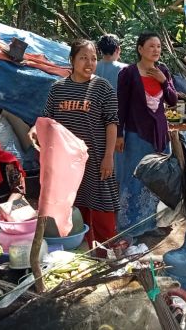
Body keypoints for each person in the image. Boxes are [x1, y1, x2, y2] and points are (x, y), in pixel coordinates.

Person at [32, 40, 119, 246]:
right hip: (66, 165)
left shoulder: (102, 87)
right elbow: (47, 121)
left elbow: (112, 123)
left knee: (102, 206)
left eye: (93, 58)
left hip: (97, 159)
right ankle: (80, 248)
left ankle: (105, 251)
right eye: (83, 58)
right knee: (73, 206)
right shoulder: (58, 89)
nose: (89, 63)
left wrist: (108, 157)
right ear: (72, 60)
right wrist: (34, 130)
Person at [116, 33, 178, 238]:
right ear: (140, 49)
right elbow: (121, 106)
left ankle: (150, 224)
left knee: (156, 180)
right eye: (151, 46)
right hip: (136, 134)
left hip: (159, 134)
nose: (156, 50)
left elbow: (172, 100)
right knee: (134, 179)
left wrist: (163, 81)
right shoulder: (128, 73)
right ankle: (129, 227)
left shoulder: (163, 71)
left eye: (159, 46)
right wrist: (119, 134)